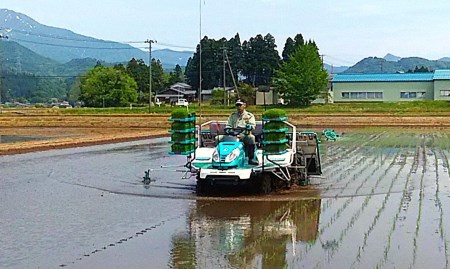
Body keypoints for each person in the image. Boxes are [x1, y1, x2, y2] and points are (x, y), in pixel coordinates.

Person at [225, 98, 259, 165]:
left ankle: (251, 158)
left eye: (240, 105)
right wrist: (229, 130)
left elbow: (252, 126)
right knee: (218, 138)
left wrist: (249, 126)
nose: (238, 107)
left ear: (244, 105)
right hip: (233, 135)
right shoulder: (232, 116)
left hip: (244, 134)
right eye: (237, 105)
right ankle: (220, 158)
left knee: (251, 138)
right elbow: (228, 126)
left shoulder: (249, 116)